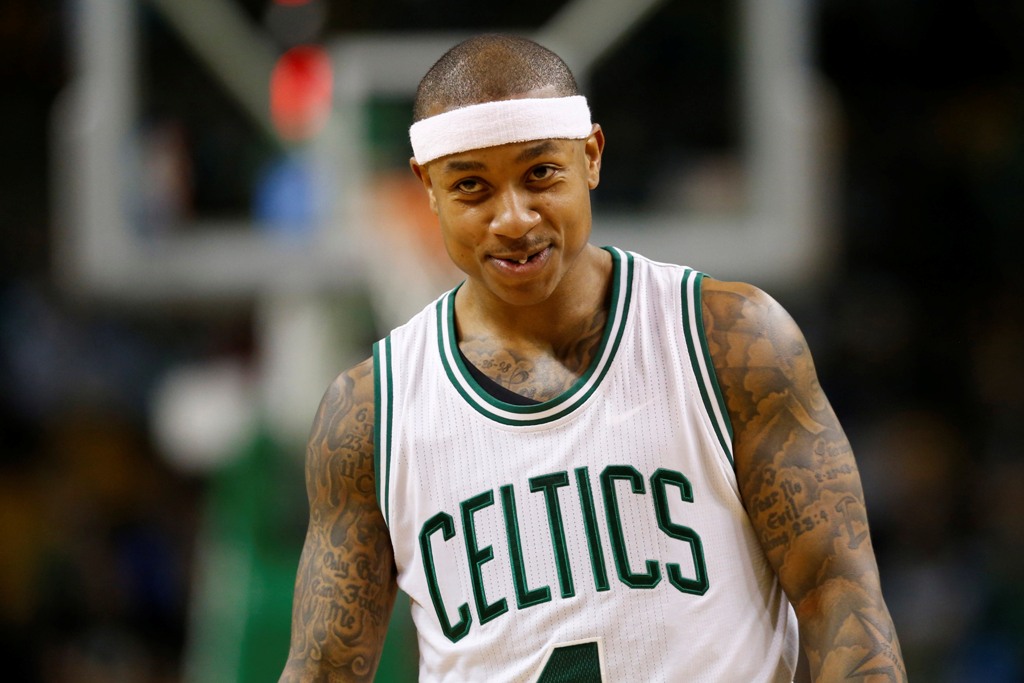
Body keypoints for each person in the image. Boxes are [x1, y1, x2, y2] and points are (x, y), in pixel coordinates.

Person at [278, 33, 906, 682]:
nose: (514, 217)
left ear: (592, 157)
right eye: (472, 187)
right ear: (428, 189)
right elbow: (322, 670)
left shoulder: (729, 339)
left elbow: (839, 596)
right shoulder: (369, 414)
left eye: (540, 174)